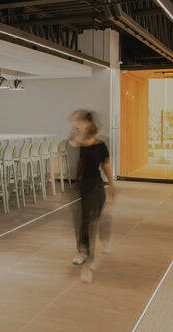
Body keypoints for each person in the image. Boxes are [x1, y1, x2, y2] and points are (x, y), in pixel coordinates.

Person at [69, 109, 115, 267]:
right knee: (85, 220)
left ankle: (92, 244)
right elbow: (79, 164)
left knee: (92, 219)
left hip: (97, 185)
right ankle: (83, 251)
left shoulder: (100, 145)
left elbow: (106, 165)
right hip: (84, 185)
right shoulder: (78, 144)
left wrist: (112, 184)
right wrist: (75, 182)